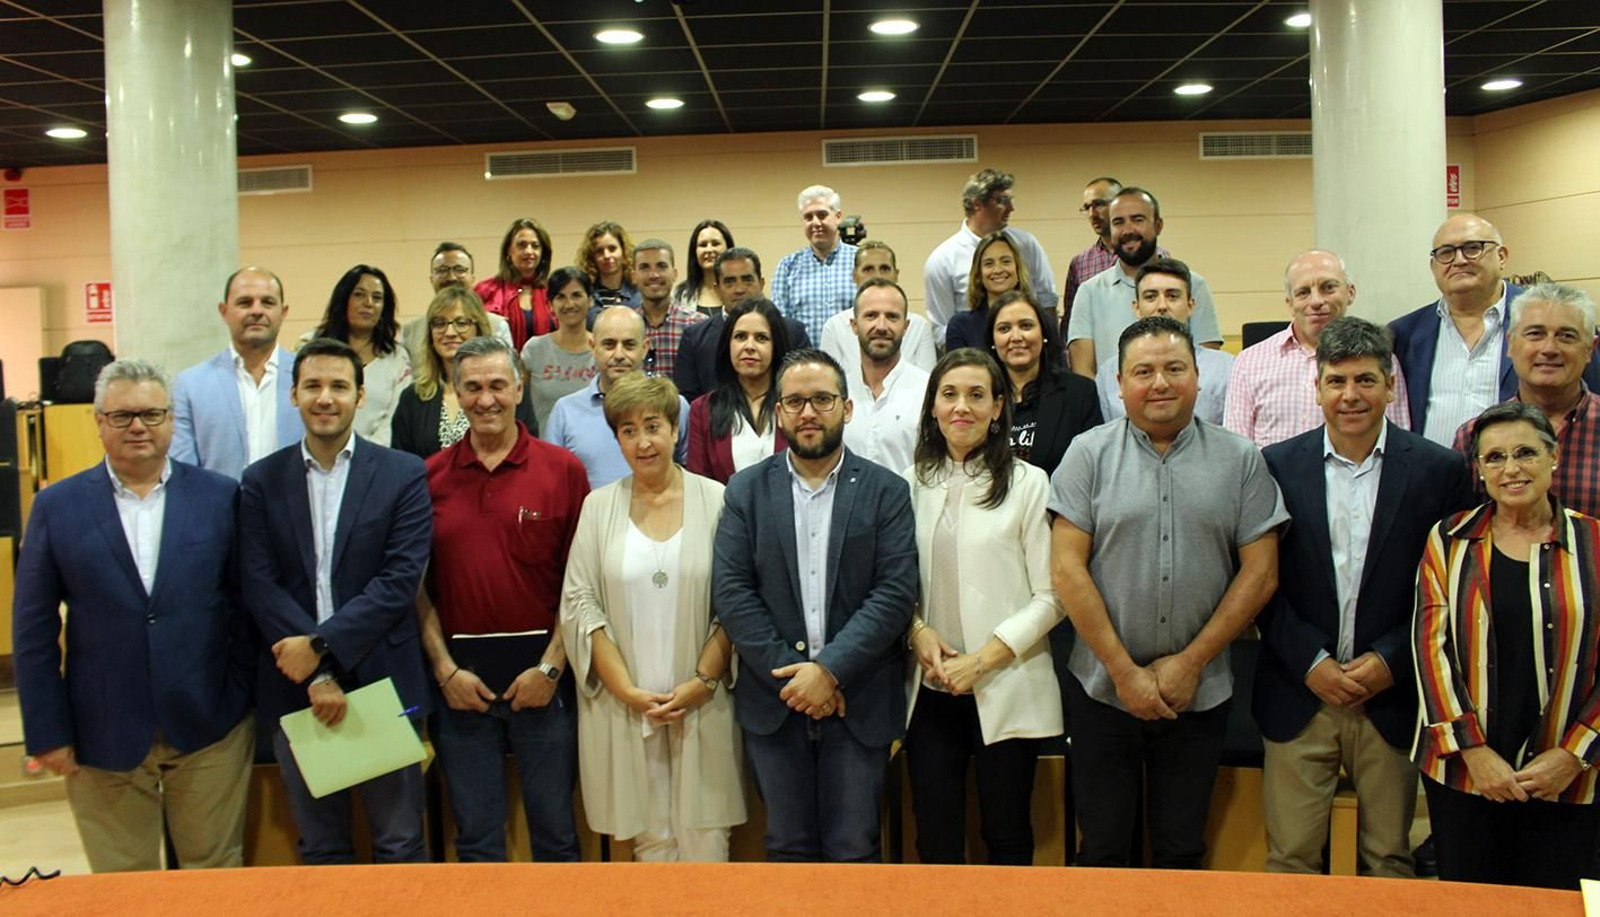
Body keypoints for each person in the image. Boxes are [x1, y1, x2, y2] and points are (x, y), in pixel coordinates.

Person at [1048, 315, 1287, 869]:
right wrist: (1124, 671)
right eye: (1144, 371)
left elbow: (1261, 574)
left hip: (1198, 693)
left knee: (1181, 849)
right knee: (1103, 850)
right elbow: (1067, 571)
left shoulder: (1241, 460)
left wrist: (1190, 662)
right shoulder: (1087, 454)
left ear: (1199, 377)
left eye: (1174, 368)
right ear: (1119, 383)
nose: (1160, 383)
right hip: (1102, 691)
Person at [14, 359, 254, 872]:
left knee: (214, 877)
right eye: (122, 416)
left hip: (209, 724)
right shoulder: (56, 507)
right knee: (124, 888)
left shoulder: (219, 496)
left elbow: (244, 605)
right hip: (101, 729)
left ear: (171, 420)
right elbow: (33, 629)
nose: (138, 427)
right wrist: (47, 730)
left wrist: (239, 695)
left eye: (151, 413)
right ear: (99, 422)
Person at [1254, 317, 1472, 877]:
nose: (1350, 395)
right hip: (1300, 693)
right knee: (1291, 859)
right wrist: (1311, 661)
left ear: (1391, 385)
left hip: (1393, 696)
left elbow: (1448, 588)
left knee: (1389, 858)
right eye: (1336, 381)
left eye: (1365, 380)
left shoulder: (1439, 471)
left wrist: (1389, 661)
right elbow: (1257, 584)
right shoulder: (1275, 466)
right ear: (1317, 386)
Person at [713, 348, 918, 862]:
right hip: (775, 700)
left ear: (847, 408)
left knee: (854, 848)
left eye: (822, 400)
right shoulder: (746, 490)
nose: (808, 413)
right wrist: (796, 678)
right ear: (778, 412)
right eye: (796, 402)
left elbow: (894, 594)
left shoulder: (886, 491)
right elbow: (734, 592)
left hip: (859, 699)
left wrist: (828, 672)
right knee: (786, 847)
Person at [239, 338, 434, 865]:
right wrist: (315, 673)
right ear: (294, 396)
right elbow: (259, 583)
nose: (326, 398)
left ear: (361, 395)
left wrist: (321, 645)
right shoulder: (260, 481)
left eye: (339, 386)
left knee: (399, 843)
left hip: (383, 683)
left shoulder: (402, 473)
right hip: (296, 689)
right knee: (322, 847)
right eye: (313, 386)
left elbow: (399, 579)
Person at [1414, 401, 1600, 890]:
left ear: (1553, 456)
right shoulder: (1449, 539)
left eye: (1525, 453)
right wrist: (1473, 752)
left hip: (1572, 774)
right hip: (1465, 774)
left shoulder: (1596, 543)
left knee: (1559, 900)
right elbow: (1432, 653)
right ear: (1478, 469)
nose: (1511, 469)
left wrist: (1575, 754)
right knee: (1471, 900)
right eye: (1494, 458)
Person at [560, 373, 746, 861]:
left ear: (676, 429)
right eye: (628, 430)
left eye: (653, 426)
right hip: (628, 703)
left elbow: (737, 601)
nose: (643, 442)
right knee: (651, 843)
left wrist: (702, 682)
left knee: (707, 842)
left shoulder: (718, 499)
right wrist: (625, 690)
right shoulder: (598, 507)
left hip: (702, 699)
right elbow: (581, 604)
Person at [417, 335, 589, 862]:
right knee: (475, 840)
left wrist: (551, 669)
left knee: (557, 835)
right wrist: (445, 672)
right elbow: (416, 591)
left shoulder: (562, 470)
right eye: (472, 387)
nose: (485, 399)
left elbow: (580, 585)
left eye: (497, 385)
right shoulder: (427, 478)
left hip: (543, 682)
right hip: (460, 686)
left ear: (520, 387)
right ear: (455, 392)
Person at [902, 348, 1063, 865]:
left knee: (1008, 834)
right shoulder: (909, 484)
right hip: (929, 687)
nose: (961, 407)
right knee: (935, 839)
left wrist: (983, 660)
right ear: (932, 407)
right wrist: (917, 629)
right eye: (949, 395)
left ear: (998, 408)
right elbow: (893, 583)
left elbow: (1053, 595)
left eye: (976, 395)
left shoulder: (1028, 483)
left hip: (1004, 679)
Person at [1225, 250, 1410, 447]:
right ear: (1290, 303)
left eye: (1328, 287)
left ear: (1350, 293)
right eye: (1303, 292)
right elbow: (1235, 452)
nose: (1316, 301)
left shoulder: (1380, 358)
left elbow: (1398, 443)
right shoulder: (1249, 362)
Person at [1451, 283, 1600, 518]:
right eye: (1535, 334)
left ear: (1590, 349)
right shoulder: (1473, 436)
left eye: (1566, 336)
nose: (1549, 348)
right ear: (1510, 343)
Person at [1067, 188, 1224, 377]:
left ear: (1158, 226)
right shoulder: (1089, 292)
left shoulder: (1194, 285)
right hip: (1108, 406)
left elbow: (1209, 366)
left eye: (1138, 220)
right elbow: (1083, 372)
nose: (1128, 230)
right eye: (1118, 222)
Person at [170, 266, 304, 478]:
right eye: (245, 303)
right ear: (224, 312)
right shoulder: (190, 385)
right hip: (220, 509)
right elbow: (183, 472)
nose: (257, 311)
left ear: (283, 312)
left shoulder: (308, 378)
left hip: (294, 508)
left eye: (267, 302)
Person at [546, 306, 690, 490]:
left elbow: (688, 474)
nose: (619, 355)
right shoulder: (565, 411)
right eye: (609, 344)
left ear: (645, 348)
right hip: (590, 517)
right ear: (593, 346)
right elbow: (554, 481)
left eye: (629, 344)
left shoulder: (676, 406)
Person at [390, 286, 536, 460]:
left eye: (461, 323)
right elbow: (402, 464)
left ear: (478, 328)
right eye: (439, 323)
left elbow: (529, 451)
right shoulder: (413, 397)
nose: (450, 333)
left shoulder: (507, 389)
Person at [923, 167, 1059, 346]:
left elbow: (1047, 301)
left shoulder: (1027, 244)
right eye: (1002, 201)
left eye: (1011, 200)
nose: (1011, 208)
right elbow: (942, 328)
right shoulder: (943, 260)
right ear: (977, 204)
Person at [1096, 257, 1233, 425]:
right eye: (1151, 297)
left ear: (1190, 306)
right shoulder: (1109, 372)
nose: (1162, 306)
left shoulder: (1226, 367)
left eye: (1172, 296)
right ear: (1136, 307)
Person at [985, 290, 1102, 474]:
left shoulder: (1079, 393)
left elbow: (1095, 466)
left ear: (1044, 334)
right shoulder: (980, 398)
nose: (1016, 337)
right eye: (1004, 329)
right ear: (993, 340)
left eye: (1026, 326)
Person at [675, 247, 812, 404]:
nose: (739, 289)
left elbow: (806, 388)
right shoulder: (695, 337)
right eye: (730, 282)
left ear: (761, 284)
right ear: (717, 289)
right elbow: (688, 400)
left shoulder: (793, 332)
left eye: (747, 280)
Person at [299, 264, 410, 446]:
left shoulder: (398, 357)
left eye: (377, 298)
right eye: (359, 294)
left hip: (376, 458)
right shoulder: (310, 346)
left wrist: (363, 455)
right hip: (317, 452)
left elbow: (395, 418)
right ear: (344, 300)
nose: (368, 303)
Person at [686, 297, 791, 484]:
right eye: (740, 336)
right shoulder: (702, 409)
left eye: (761, 338)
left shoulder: (795, 406)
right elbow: (698, 485)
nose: (749, 346)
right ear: (728, 345)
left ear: (776, 347)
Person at [841, 279, 928, 474]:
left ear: (905, 327)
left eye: (892, 317)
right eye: (871, 316)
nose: (881, 326)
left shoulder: (929, 391)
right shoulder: (836, 393)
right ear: (854, 325)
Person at [1062, 176, 1168, 331]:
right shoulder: (1080, 263)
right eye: (1087, 207)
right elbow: (1070, 324)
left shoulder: (1159, 256)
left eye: (1099, 204)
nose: (1092, 214)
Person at [819, 241, 936, 375]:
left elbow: (927, 385)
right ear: (854, 276)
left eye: (885, 269)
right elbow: (828, 384)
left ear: (896, 274)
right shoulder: (834, 327)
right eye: (868, 269)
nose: (877, 275)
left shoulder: (919, 326)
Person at [771, 184, 859, 345]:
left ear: (838, 216)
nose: (815, 223)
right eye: (808, 217)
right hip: (804, 364)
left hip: (854, 364)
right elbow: (780, 326)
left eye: (822, 215)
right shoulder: (787, 267)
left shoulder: (860, 261)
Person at [520, 266, 598, 433]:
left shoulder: (603, 349)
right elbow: (518, 405)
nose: (569, 304)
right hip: (545, 452)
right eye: (561, 297)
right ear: (550, 305)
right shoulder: (534, 349)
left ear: (590, 300)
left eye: (576, 295)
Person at [399, 242, 512, 358]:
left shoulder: (498, 326)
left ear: (472, 278)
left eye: (459, 269)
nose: (451, 277)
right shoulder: (409, 331)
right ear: (431, 279)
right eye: (442, 270)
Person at [946, 230, 1043, 352]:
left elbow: (1055, 367)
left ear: (1017, 269)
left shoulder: (1040, 320)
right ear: (979, 274)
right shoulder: (961, 325)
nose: (997, 270)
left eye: (1006, 261)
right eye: (989, 264)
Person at [474, 217, 554, 351]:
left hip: (547, 368)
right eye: (521, 245)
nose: (529, 251)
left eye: (535, 246)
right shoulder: (485, 291)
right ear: (508, 251)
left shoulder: (553, 291)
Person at [633, 238, 705, 380]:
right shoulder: (625, 327)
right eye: (644, 267)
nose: (653, 275)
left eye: (661, 266)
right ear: (633, 276)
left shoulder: (698, 326)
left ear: (675, 274)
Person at [671, 218, 735, 315]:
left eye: (715, 244)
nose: (709, 249)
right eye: (703, 245)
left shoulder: (741, 289)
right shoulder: (679, 294)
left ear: (728, 248)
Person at [576, 220, 640, 309]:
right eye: (599, 251)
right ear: (592, 257)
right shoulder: (585, 295)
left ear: (624, 251)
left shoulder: (639, 294)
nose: (606, 255)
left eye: (612, 248)